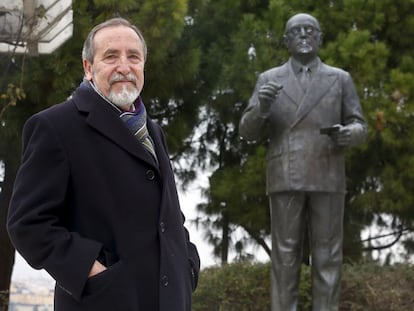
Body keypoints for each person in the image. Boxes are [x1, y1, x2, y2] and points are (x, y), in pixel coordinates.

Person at [7, 17, 200, 311]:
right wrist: (93, 272)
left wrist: (187, 265)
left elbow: (168, 215)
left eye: (133, 57)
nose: (124, 66)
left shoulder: (152, 130)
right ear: (88, 68)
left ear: (142, 67)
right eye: (111, 56)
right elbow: (28, 223)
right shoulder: (55, 126)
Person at [239, 13, 367, 311]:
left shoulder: (339, 78)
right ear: (286, 40)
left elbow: (359, 124)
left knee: (328, 255)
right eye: (297, 31)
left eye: (311, 30)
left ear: (321, 37)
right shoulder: (269, 79)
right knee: (284, 257)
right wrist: (262, 107)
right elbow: (247, 131)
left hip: (328, 173)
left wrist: (349, 133)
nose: (304, 35)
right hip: (286, 174)